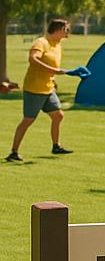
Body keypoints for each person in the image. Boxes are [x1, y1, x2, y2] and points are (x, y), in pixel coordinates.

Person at [6, 18, 73, 162]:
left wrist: (53, 79)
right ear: (58, 29)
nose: (68, 34)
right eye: (66, 30)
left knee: (58, 115)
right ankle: (13, 152)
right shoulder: (41, 43)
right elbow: (33, 59)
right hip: (34, 88)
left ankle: (56, 146)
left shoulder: (57, 45)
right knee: (28, 120)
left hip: (48, 88)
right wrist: (55, 70)